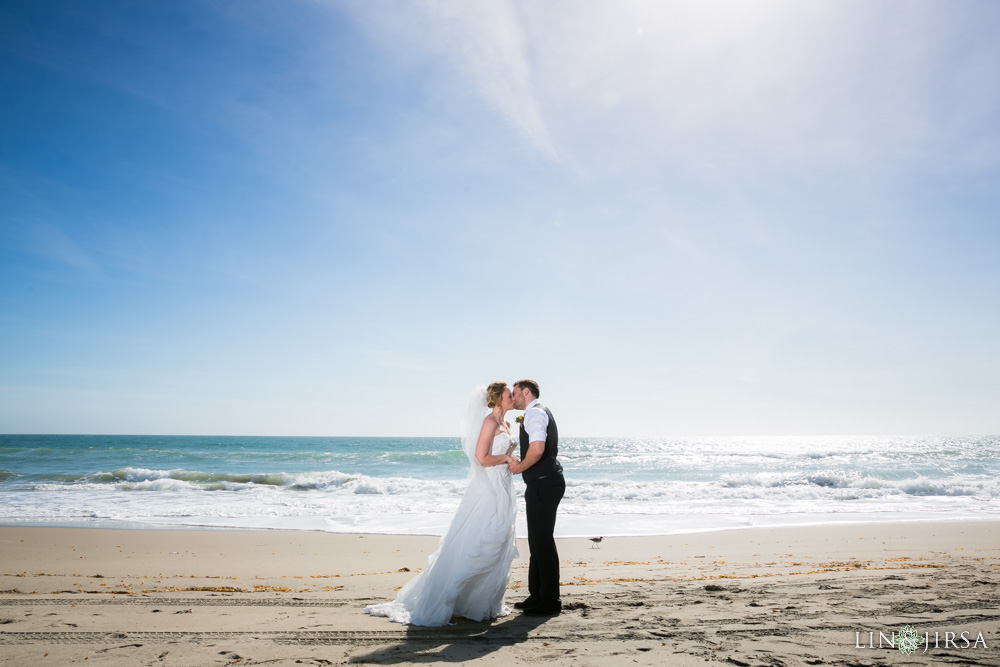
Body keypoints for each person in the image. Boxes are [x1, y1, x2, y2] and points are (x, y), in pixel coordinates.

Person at [365, 382, 519, 626]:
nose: (514, 396)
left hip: (503, 486)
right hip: (488, 489)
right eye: (509, 394)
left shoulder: (507, 424)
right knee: (482, 539)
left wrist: (510, 463)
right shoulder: (489, 422)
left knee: (500, 540)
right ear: (499, 399)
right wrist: (506, 458)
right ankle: (454, 598)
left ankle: (482, 602)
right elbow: (481, 458)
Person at [508, 379, 565, 616]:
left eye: (515, 393)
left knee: (542, 541)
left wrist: (520, 467)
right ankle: (537, 594)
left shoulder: (535, 415)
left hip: (544, 483)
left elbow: (538, 448)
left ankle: (550, 600)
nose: (512, 397)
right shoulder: (533, 413)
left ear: (526, 392)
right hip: (542, 483)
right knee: (536, 540)